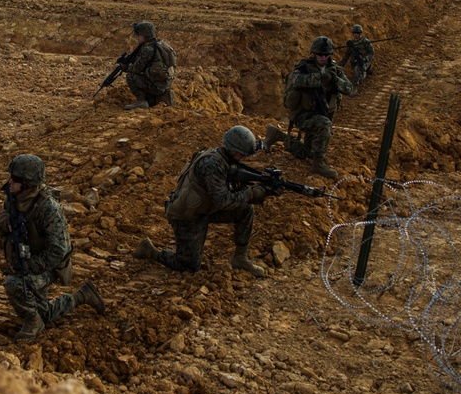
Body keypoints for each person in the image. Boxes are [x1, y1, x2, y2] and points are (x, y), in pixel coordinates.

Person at [133, 126, 277, 278]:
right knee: (188, 266)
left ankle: (240, 258)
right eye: (242, 154)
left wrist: (263, 192)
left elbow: (235, 191)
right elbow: (224, 201)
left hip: (207, 209)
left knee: (246, 209)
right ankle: (151, 251)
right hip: (188, 216)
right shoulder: (212, 164)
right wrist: (252, 193)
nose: (244, 158)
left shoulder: (226, 158)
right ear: (233, 150)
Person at [0, 154, 105, 341]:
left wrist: (29, 266)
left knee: (14, 284)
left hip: (50, 265)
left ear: (28, 183)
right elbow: (0, 227)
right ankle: (81, 296)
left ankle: (33, 322)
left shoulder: (48, 208)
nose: (10, 182)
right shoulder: (13, 198)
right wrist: (3, 223)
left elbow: (59, 250)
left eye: (16, 180)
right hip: (29, 260)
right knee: (44, 313)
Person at [264, 36, 353, 179]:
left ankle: (277, 135)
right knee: (325, 125)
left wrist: (335, 80)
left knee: (306, 153)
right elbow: (297, 81)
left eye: (326, 55)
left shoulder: (334, 69)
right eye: (320, 55)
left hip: (322, 114)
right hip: (304, 115)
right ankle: (318, 165)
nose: (323, 58)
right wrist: (321, 78)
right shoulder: (304, 67)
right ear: (314, 54)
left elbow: (349, 88)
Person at [123, 21, 176, 110]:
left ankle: (141, 102)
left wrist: (126, 67)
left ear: (145, 35)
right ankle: (163, 95)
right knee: (150, 101)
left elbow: (136, 69)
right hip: (165, 84)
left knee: (130, 76)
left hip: (156, 85)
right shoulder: (160, 44)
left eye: (139, 35)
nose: (138, 38)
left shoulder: (148, 49)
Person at [338, 24, 375, 91]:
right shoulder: (351, 44)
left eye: (357, 33)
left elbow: (371, 52)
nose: (355, 35)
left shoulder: (365, 41)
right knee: (358, 72)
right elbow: (346, 56)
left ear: (360, 33)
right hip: (354, 62)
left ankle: (355, 86)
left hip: (364, 61)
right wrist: (340, 65)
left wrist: (366, 59)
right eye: (354, 33)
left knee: (358, 71)